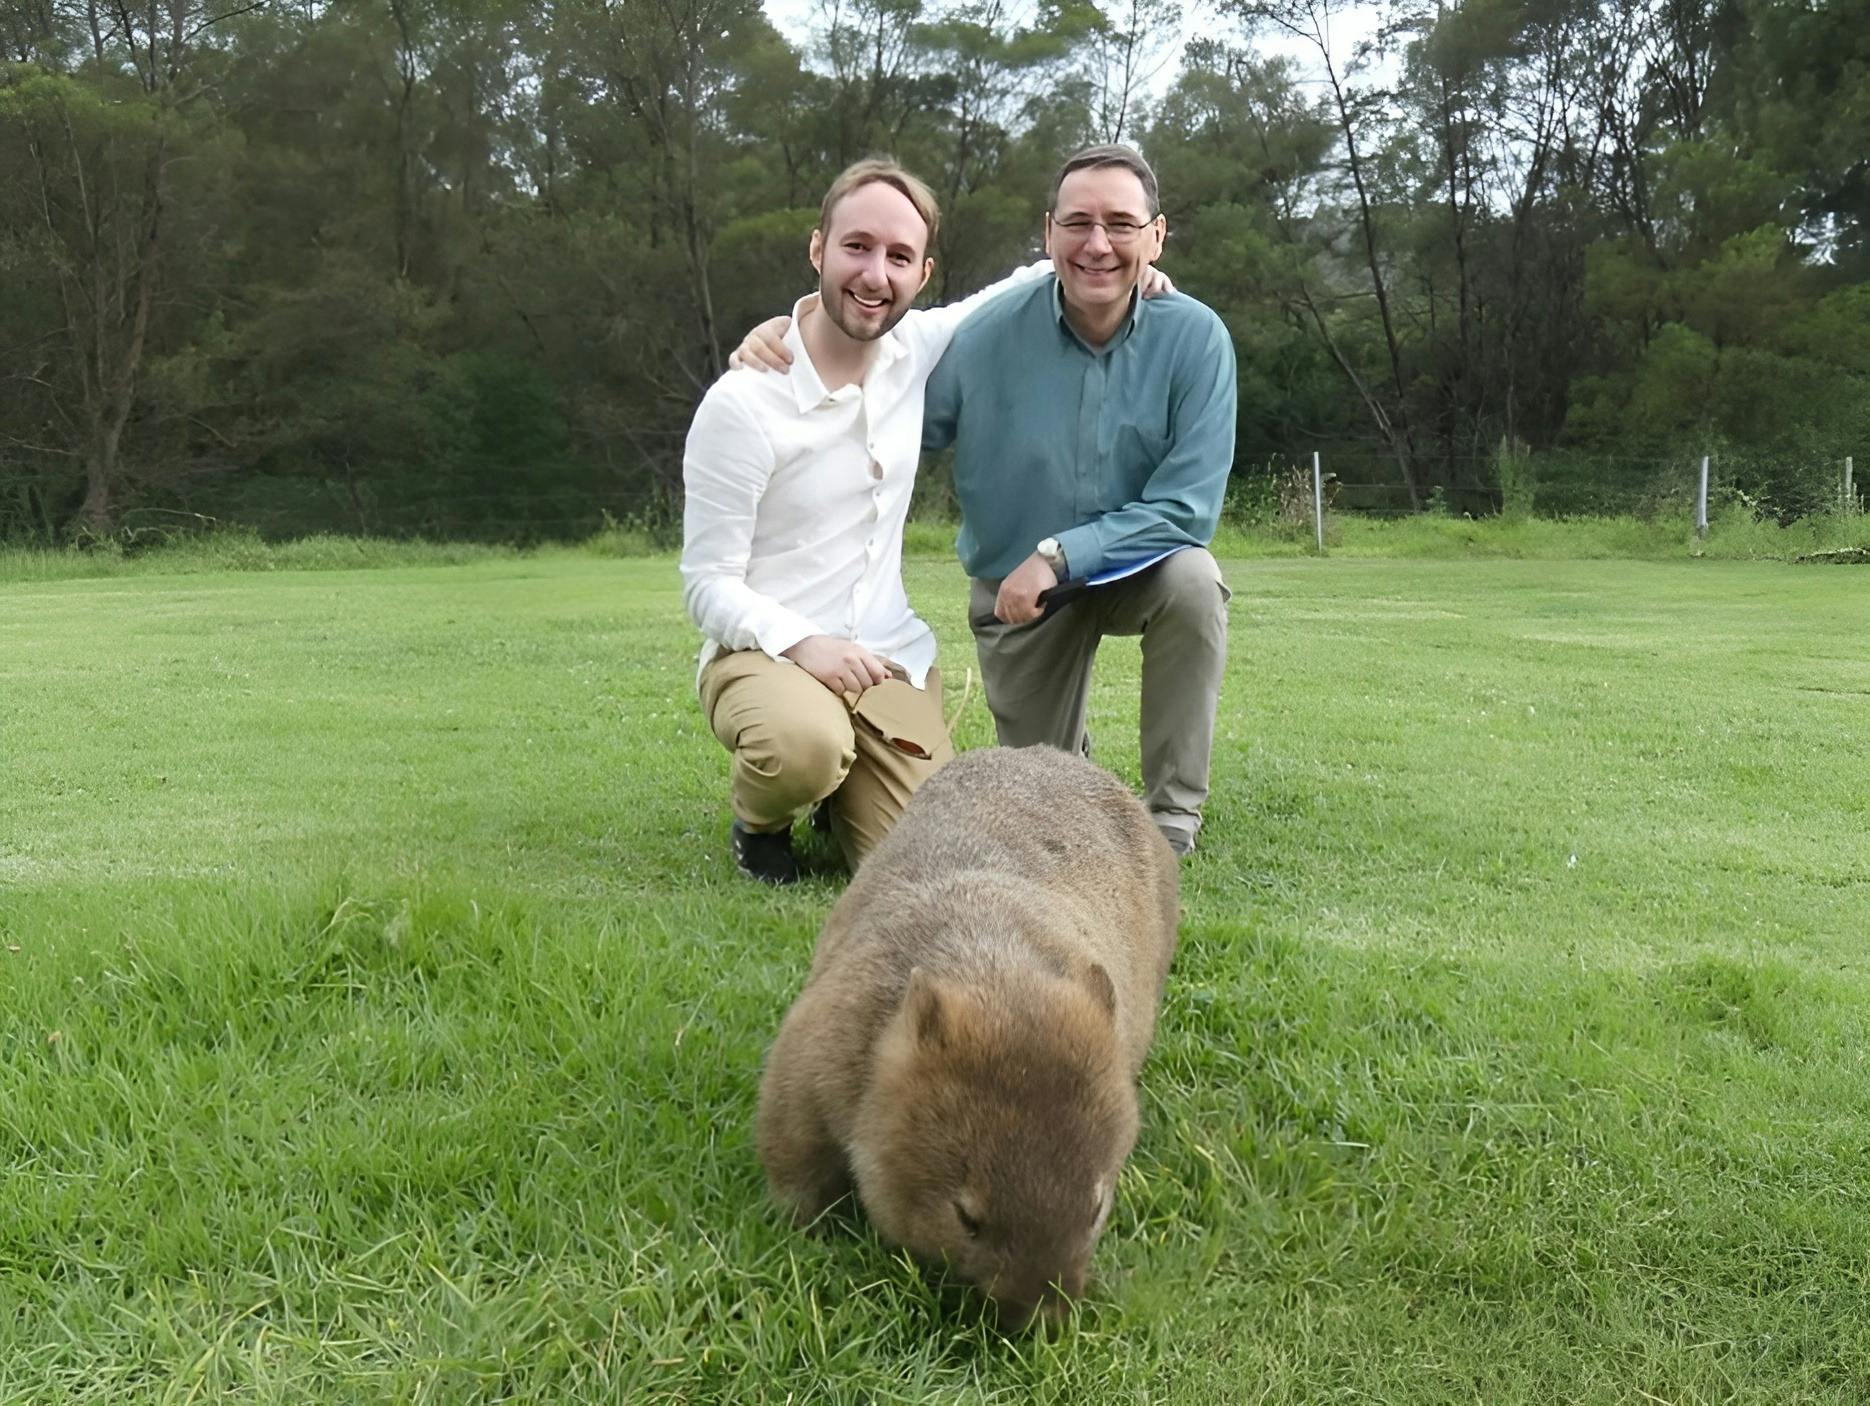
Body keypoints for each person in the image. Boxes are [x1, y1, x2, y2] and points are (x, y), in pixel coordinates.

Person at [737, 145, 1237, 856]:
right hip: (1016, 597)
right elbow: (876, 400)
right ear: (1048, 231)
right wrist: (788, 337)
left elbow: (1186, 509)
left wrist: (1061, 556)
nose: (1098, 243)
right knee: (1049, 816)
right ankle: (848, 782)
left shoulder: (1196, 339)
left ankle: (1171, 823)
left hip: (1136, 569)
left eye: (1122, 225)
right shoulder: (981, 338)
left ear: (1156, 237)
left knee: (1194, 579)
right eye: (1079, 223)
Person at [680, 158, 1058, 885]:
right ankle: (762, 821)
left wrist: (1142, 275)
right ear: (818, 248)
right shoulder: (743, 404)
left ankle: (843, 788)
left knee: (924, 867)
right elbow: (705, 585)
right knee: (802, 747)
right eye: (857, 247)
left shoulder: (912, 351)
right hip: (763, 653)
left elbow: (1017, 287)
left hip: (886, 657)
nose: (875, 274)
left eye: (899, 257)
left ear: (923, 273)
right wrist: (804, 643)